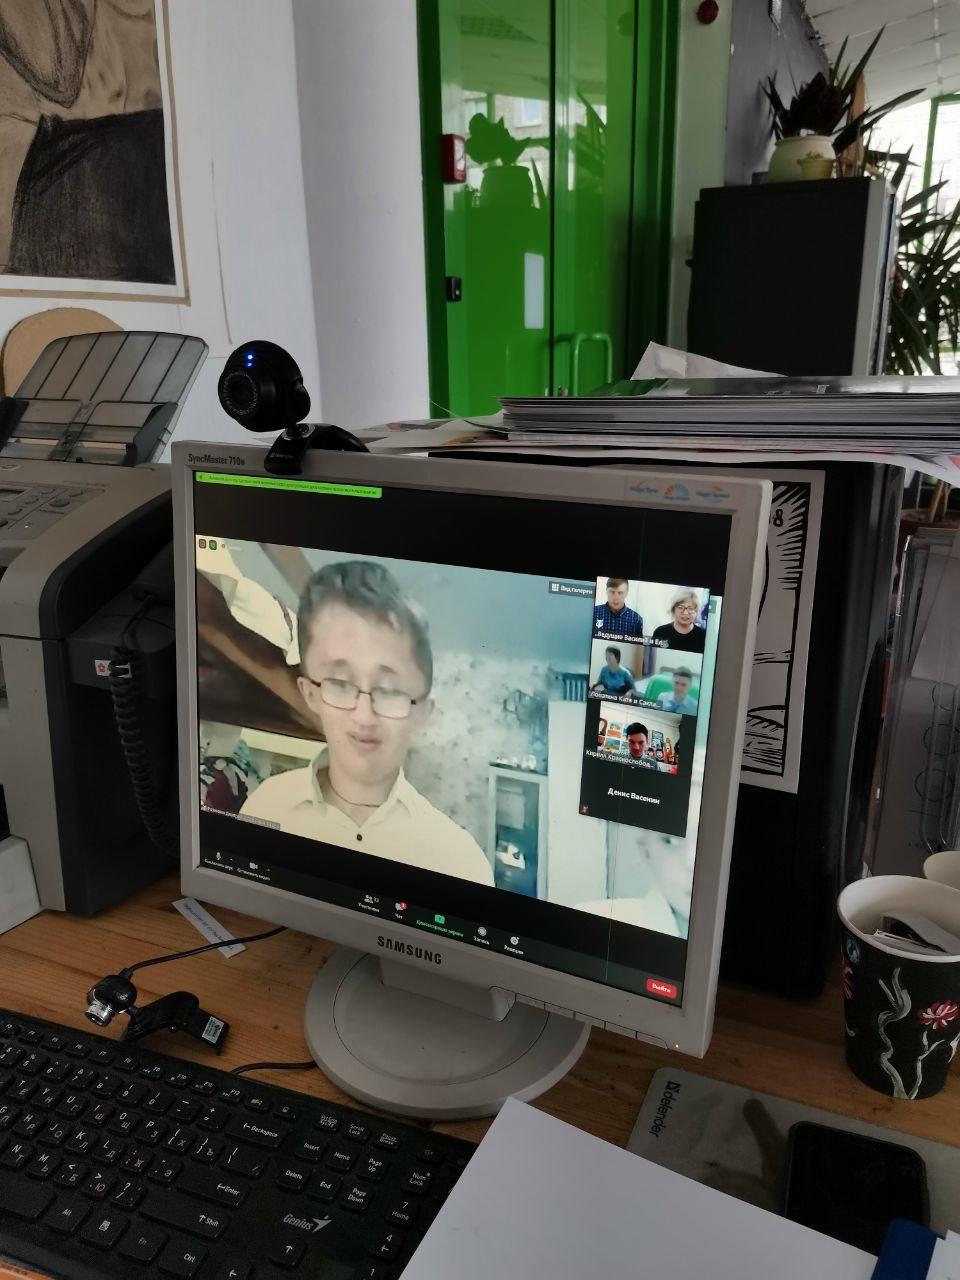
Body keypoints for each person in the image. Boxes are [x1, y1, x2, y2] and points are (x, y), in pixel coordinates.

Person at [241, 559, 494, 885]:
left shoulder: (461, 864)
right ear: (311, 694)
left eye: (389, 690)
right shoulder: (264, 808)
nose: (363, 716)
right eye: (340, 682)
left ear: (421, 711)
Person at [651, 588, 705, 653]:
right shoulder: (660, 632)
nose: (685, 613)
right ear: (673, 609)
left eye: (690, 608)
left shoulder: (703, 636)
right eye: (680, 607)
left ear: (696, 611)